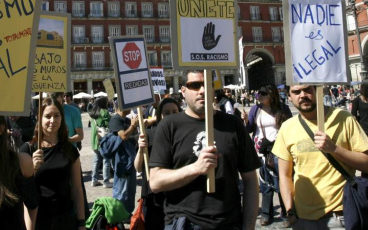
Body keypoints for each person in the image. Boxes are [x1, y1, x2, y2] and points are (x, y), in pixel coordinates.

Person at [149, 70, 261, 230]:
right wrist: (196, 168)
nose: (202, 90)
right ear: (183, 90)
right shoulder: (169, 125)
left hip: (228, 222)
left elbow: (250, 180)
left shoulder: (233, 125)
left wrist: (249, 226)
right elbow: (155, 182)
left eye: (207, 84)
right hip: (184, 222)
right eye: (194, 85)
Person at [272, 85, 368, 229]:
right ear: (289, 97)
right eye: (296, 92)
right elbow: (284, 175)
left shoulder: (344, 119)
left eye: (308, 90)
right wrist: (290, 210)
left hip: (340, 214)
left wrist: (334, 149)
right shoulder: (287, 128)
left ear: (317, 90)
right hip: (303, 218)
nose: (302, 95)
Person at [20, 98, 86, 230]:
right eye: (47, 116)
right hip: (37, 218)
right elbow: (20, 189)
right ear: (40, 118)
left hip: (65, 217)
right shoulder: (28, 150)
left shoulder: (70, 150)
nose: (53, 121)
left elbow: (77, 189)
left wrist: (81, 222)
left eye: (57, 115)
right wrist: (32, 169)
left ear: (62, 118)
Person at [242, 84, 293, 227]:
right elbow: (249, 129)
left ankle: (286, 213)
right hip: (261, 150)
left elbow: (290, 127)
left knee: (283, 181)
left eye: (263, 93)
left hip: (280, 149)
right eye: (259, 93)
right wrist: (245, 120)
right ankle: (266, 214)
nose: (259, 95)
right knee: (265, 183)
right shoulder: (255, 109)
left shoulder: (282, 108)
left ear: (271, 95)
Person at [134, 97, 181, 229]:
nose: (171, 116)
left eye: (175, 112)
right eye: (167, 113)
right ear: (159, 115)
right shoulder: (149, 134)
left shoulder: (184, 135)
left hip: (178, 196)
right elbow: (137, 167)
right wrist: (141, 149)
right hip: (153, 197)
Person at [107, 101, 139, 214]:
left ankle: (127, 213)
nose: (131, 107)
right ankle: (118, 214)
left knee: (131, 190)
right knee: (121, 190)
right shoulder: (116, 119)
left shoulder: (126, 119)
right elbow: (124, 136)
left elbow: (132, 136)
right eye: (129, 105)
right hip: (121, 160)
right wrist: (132, 125)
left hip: (131, 158)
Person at [351, 77, 368, 173]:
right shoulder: (357, 100)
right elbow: (353, 117)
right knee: (366, 162)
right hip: (364, 133)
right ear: (366, 86)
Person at [89, 97, 113, 188]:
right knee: (106, 160)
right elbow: (108, 124)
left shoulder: (93, 112)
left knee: (96, 160)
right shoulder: (104, 112)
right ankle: (106, 181)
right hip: (103, 139)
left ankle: (94, 180)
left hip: (95, 139)